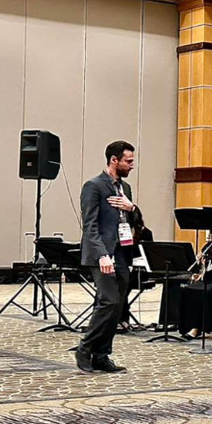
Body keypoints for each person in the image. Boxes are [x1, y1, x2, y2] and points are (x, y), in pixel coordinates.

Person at [76, 140, 137, 373]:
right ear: (114, 160)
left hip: (122, 252)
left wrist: (131, 208)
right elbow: (89, 225)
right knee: (108, 301)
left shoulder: (125, 188)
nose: (132, 165)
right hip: (102, 253)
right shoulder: (93, 186)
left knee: (118, 306)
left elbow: (133, 221)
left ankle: (101, 355)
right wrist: (102, 254)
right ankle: (84, 348)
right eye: (128, 161)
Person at [119, 206, 153, 332]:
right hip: (125, 267)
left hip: (140, 271)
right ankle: (117, 318)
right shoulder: (119, 232)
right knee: (116, 282)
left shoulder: (146, 233)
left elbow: (149, 255)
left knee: (123, 285)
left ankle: (123, 319)